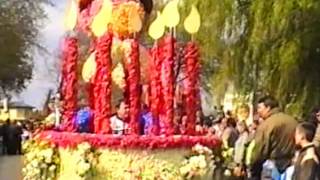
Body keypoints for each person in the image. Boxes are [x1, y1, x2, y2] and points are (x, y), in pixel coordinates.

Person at [248, 96, 297, 180]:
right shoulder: (293, 121)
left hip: (272, 167)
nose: (258, 111)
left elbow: (259, 151)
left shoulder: (266, 125)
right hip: (290, 167)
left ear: (268, 108)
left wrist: (253, 169)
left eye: (260, 108)